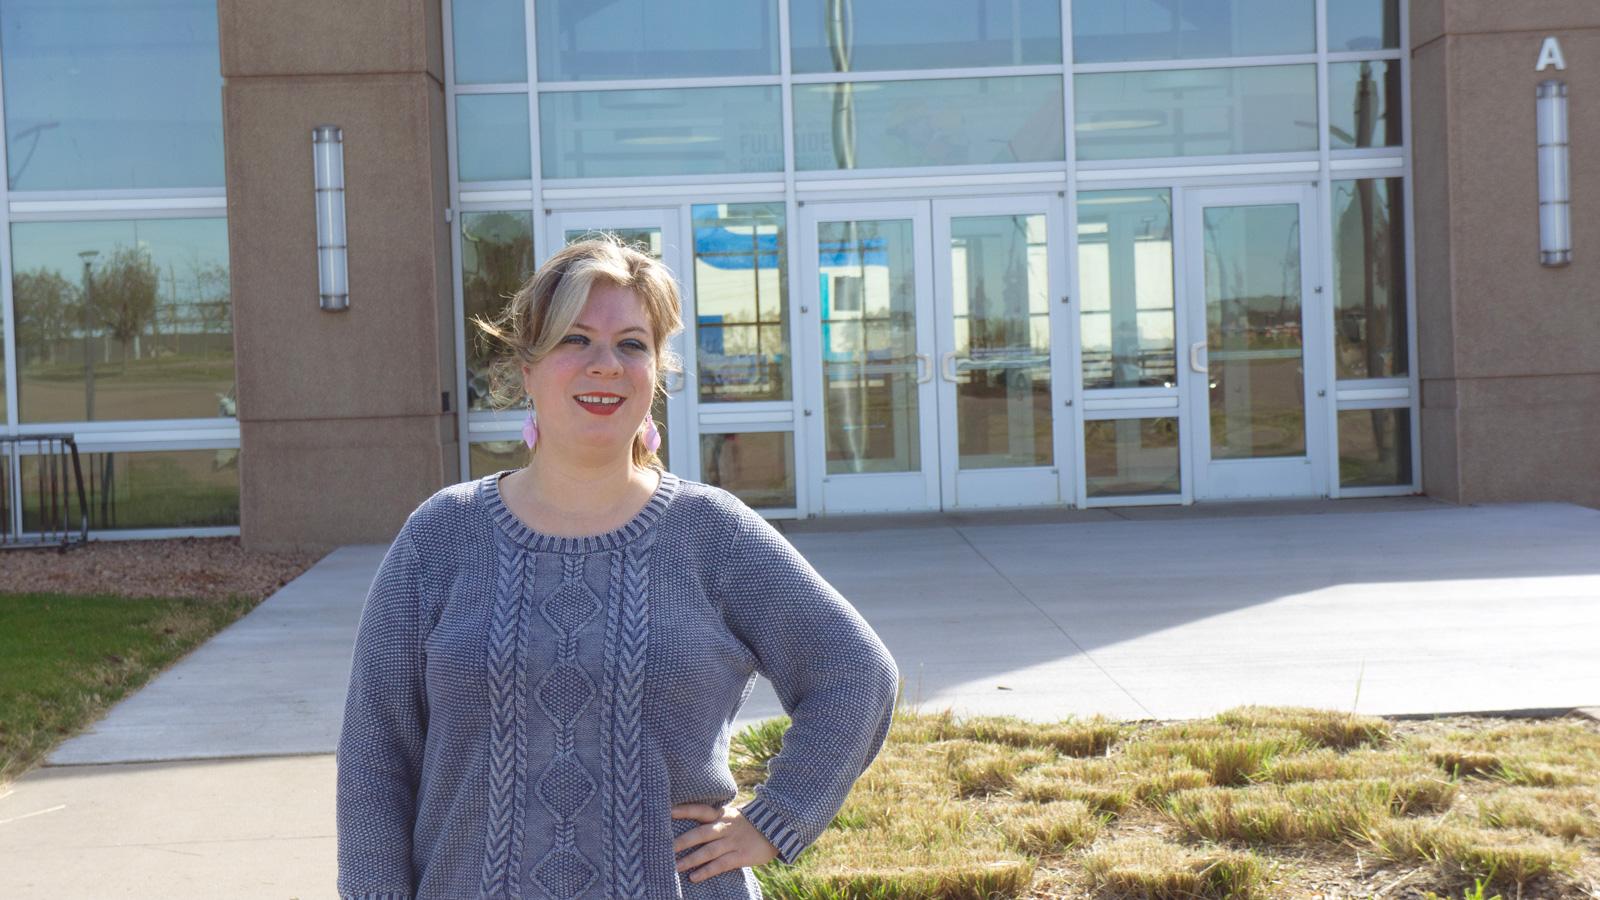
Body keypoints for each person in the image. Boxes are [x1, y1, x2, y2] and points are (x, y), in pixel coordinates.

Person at [336, 235, 900, 900]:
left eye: (632, 343)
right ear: (527, 365)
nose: (605, 364)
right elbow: (376, 757)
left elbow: (856, 674)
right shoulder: (442, 536)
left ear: (657, 371)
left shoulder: (711, 534)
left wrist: (774, 821)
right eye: (576, 340)